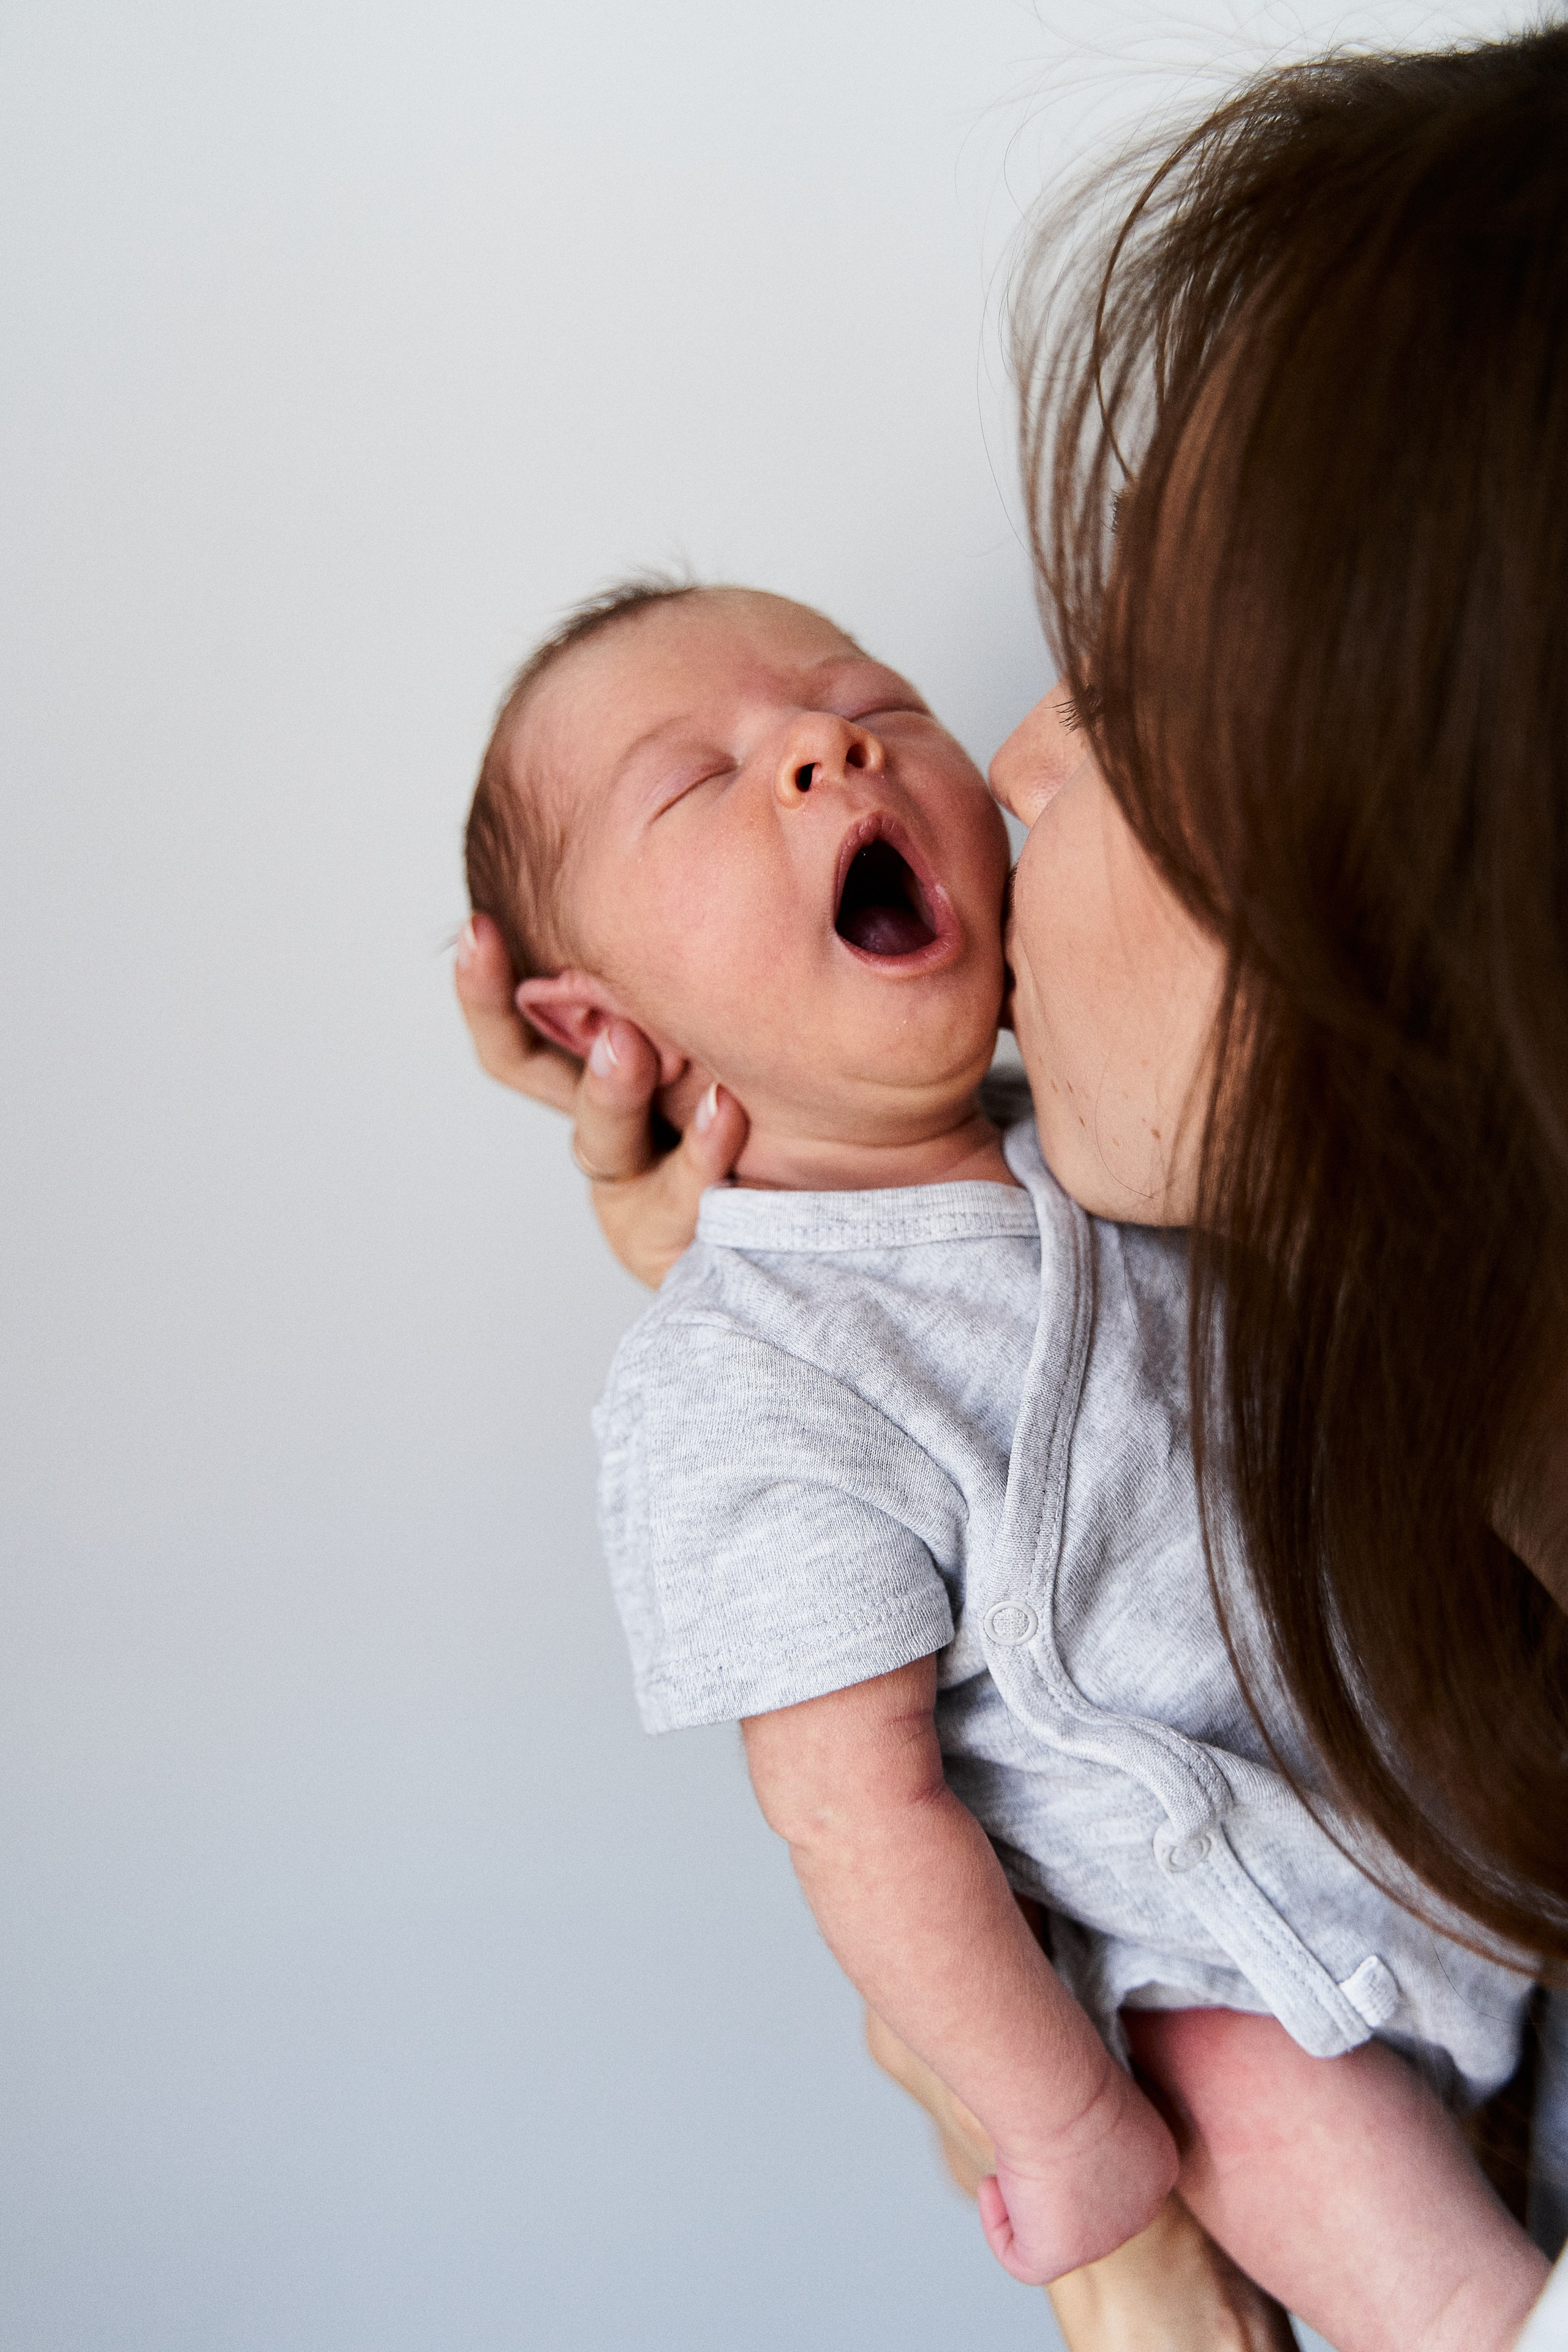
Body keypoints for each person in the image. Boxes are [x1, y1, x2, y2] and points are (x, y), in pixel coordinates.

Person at [454, 22, 1568, 2344]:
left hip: (1441, 1869)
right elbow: (863, 1790)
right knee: (1253, 2109)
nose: (987, 735)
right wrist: (1086, 2172)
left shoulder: (1193, 1207)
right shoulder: (753, 1388)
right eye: (711, 789)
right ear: (591, 1018)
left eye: (1140, 687)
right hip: (1231, 1952)